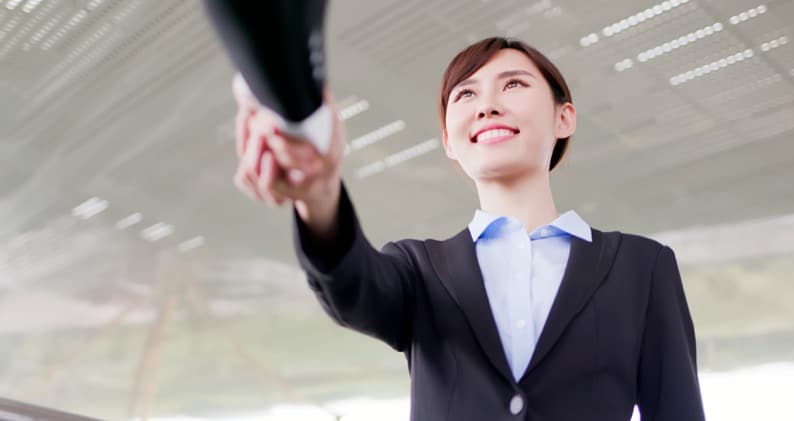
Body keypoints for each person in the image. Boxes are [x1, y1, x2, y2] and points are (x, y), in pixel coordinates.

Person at [231, 37, 705, 421]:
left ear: (565, 117)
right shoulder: (418, 270)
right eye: (466, 94)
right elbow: (352, 287)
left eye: (513, 84)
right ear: (448, 142)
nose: (487, 106)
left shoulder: (641, 268)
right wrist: (318, 194)